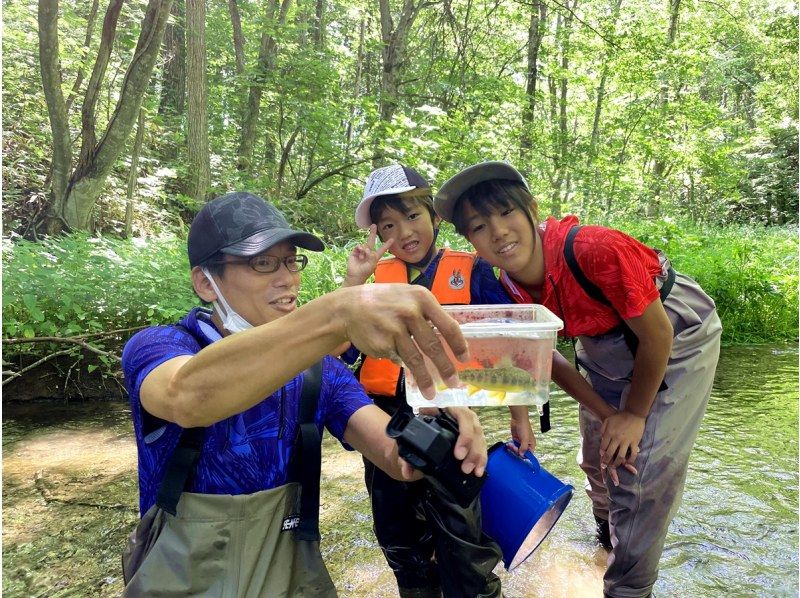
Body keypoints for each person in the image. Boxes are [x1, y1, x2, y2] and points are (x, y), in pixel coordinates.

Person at [120, 191, 490, 597]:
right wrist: (338, 313)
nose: (287, 278)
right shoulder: (159, 347)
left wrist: (440, 436)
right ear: (206, 282)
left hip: (288, 576)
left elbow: (393, 458)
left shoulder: (321, 371)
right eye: (263, 263)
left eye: (291, 260)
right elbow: (185, 398)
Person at [434, 162, 722, 598]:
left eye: (507, 213)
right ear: (469, 239)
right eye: (478, 226)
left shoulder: (594, 249)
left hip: (676, 334)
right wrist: (610, 415)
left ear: (532, 208)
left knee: (639, 473)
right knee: (599, 456)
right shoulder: (504, 282)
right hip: (600, 339)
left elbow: (656, 334)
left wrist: (635, 416)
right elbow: (543, 358)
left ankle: (628, 589)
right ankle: (607, 538)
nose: (498, 232)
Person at [341, 164, 514, 597]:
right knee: (401, 542)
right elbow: (342, 356)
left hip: (453, 424)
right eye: (389, 226)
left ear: (435, 217)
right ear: (379, 236)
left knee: (464, 545)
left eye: (413, 217)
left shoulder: (472, 271)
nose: (404, 233)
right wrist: (353, 283)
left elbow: (510, 349)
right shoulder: (372, 284)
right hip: (387, 424)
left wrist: (521, 418)